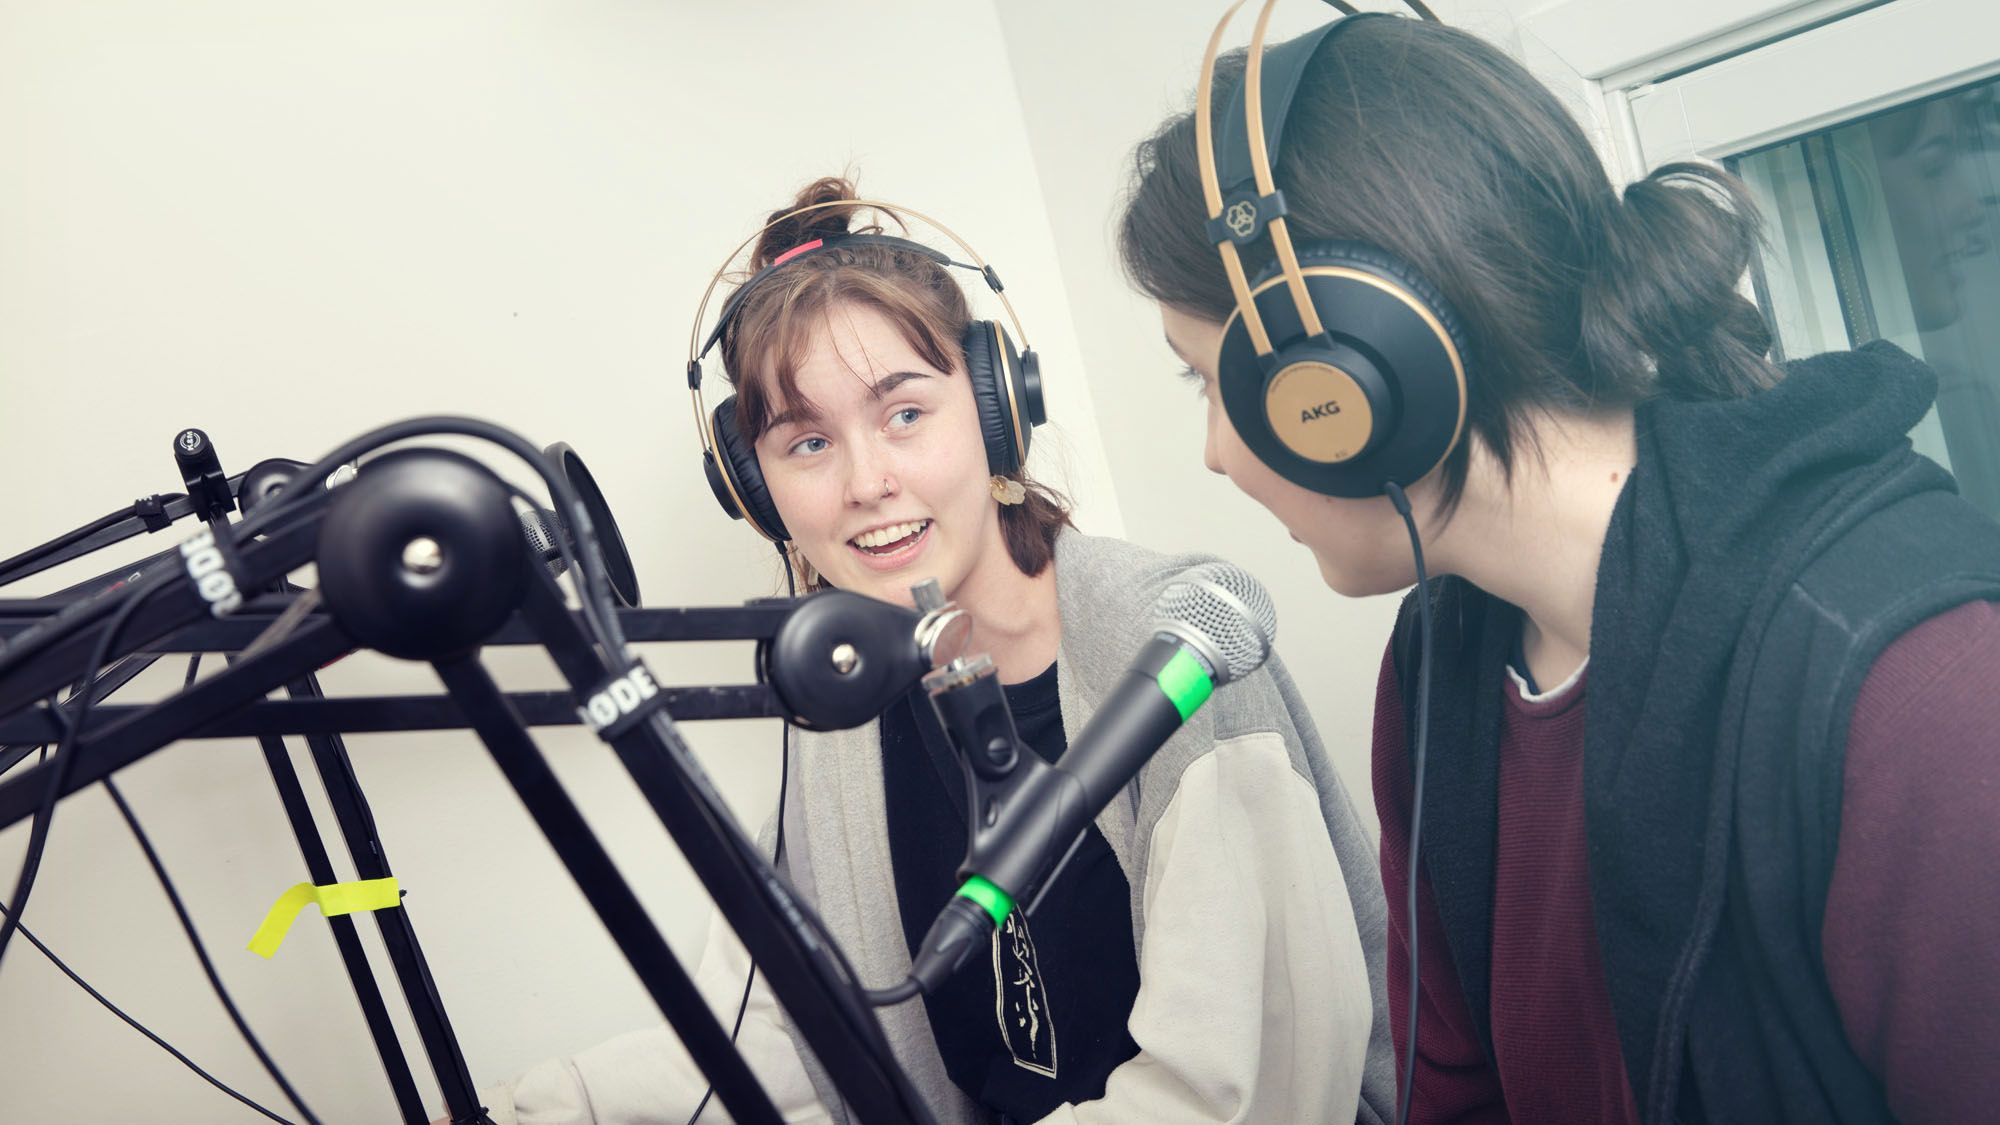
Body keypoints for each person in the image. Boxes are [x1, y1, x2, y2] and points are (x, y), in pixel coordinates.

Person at [1117, 8, 2000, 1125]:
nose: (1214, 453)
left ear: (1343, 368)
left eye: (1209, 382)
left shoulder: (1918, 687)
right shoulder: (1440, 664)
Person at [480, 177, 1396, 1124]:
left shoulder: (1177, 655)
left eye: (905, 414)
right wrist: (534, 1104)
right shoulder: (843, 711)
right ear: (755, 489)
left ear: (998, 411)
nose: (866, 481)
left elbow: (1244, 1090)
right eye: (806, 443)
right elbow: (793, 1023)